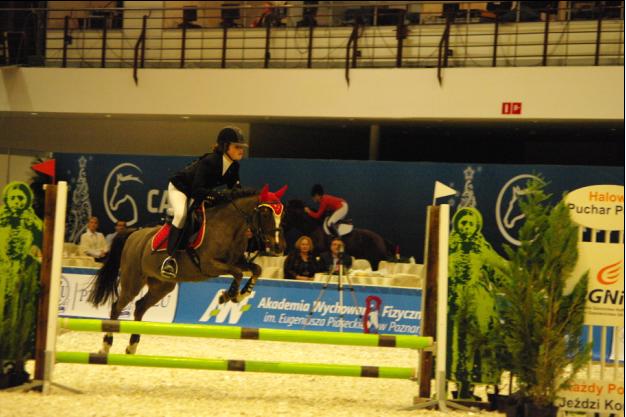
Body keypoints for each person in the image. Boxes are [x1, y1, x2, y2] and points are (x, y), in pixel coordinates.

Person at [161, 125, 248, 278]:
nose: (241, 150)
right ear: (225, 146)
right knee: (181, 215)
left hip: (201, 192)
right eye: (237, 147)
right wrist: (218, 196)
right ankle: (170, 259)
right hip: (181, 189)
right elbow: (197, 190)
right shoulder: (210, 161)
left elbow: (235, 191)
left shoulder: (234, 166)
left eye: (242, 147)